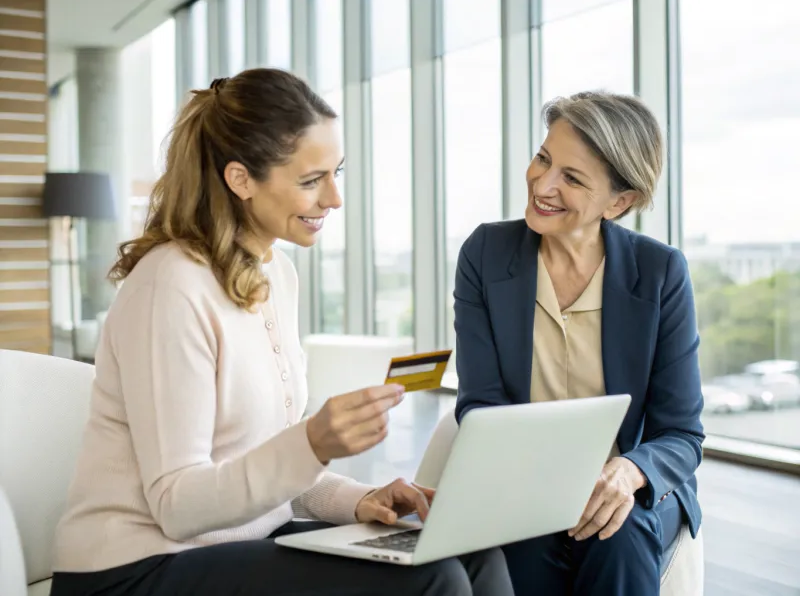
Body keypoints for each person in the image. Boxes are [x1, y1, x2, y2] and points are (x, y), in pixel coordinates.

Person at [49, 68, 513, 596]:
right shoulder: (170, 284)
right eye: (311, 180)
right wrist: (312, 441)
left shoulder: (275, 274)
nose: (334, 198)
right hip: (134, 570)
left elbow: (269, 464)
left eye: (336, 173)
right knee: (433, 579)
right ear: (241, 179)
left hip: (239, 547)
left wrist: (361, 498)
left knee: (469, 552)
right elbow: (177, 506)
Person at [453, 91, 705, 596]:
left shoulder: (660, 273)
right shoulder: (485, 253)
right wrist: (534, 481)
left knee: (620, 529)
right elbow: (479, 403)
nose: (542, 184)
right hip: (525, 479)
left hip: (628, 482)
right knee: (525, 542)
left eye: (571, 177)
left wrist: (630, 471)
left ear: (619, 201)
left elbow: (681, 433)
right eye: (543, 159)